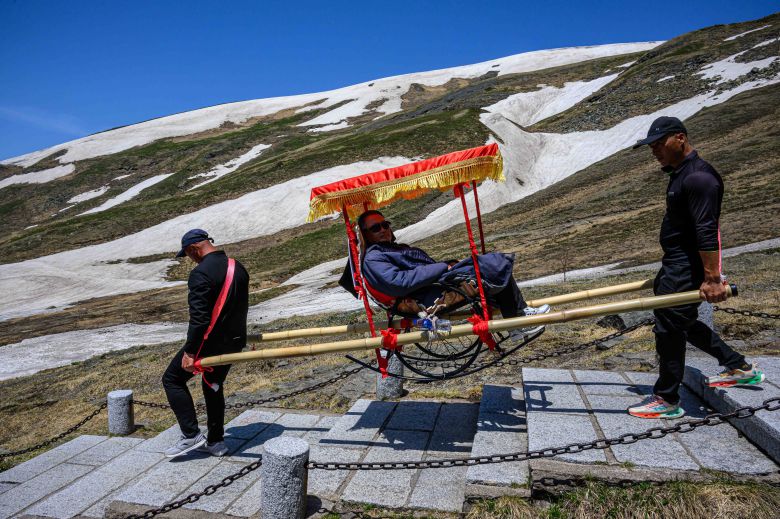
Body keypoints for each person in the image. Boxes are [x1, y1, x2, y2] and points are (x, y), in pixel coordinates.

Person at [627, 116, 764, 419]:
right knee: (682, 322)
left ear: (680, 138)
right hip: (676, 263)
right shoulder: (681, 174)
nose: (654, 150)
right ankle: (739, 366)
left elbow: (707, 229)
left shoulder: (699, 178)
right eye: (651, 146)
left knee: (669, 328)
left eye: (658, 143)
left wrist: (713, 278)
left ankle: (667, 399)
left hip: (686, 265)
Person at [348, 210, 548, 322]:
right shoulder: (374, 257)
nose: (383, 229)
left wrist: (445, 267)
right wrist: (443, 267)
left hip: (433, 285)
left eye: (385, 224)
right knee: (489, 265)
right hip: (428, 297)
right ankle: (517, 318)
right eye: (376, 228)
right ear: (366, 235)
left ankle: (517, 312)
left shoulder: (388, 249)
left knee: (485, 263)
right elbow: (399, 282)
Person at [162, 229, 249, 457]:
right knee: (212, 384)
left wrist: (190, 351)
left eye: (188, 255)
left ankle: (191, 434)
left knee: (172, 379)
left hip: (210, 343)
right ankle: (216, 441)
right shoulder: (236, 266)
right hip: (235, 341)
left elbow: (199, 319)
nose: (190, 259)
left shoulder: (200, 274)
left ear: (194, 249)